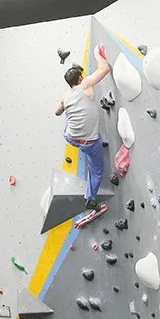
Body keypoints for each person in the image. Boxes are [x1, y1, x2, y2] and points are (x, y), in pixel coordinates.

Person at [53, 45, 113, 210]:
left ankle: (91, 138)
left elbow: (57, 113)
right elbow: (105, 69)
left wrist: (62, 102)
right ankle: (91, 198)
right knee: (96, 169)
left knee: (72, 119)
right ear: (80, 78)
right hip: (90, 142)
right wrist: (96, 54)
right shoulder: (85, 84)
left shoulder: (66, 95)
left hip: (71, 137)